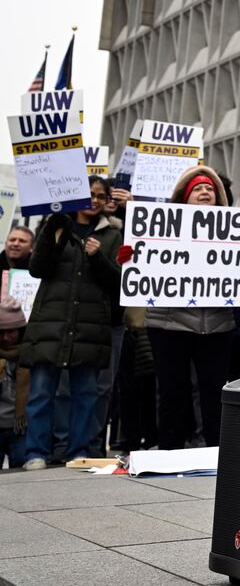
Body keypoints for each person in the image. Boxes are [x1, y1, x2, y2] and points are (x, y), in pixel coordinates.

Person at [127, 168, 240, 449]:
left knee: (214, 392)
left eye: (209, 188)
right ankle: (170, 449)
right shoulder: (162, 229)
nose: (205, 192)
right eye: (197, 188)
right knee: (172, 391)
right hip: (169, 324)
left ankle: (217, 451)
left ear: (218, 197)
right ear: (184, 197)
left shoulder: (235, 230)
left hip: (217, 324)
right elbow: (145, 265)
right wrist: (131, 258)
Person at [18, 177, 122, 469]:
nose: (96, 199)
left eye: (101, 196)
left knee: (85, 394)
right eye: (90, 194)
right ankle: (35, 452)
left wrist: (98, 257)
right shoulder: (55, 226)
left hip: (90, 326)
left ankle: (78, 451)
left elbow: (119, 281)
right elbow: (37, 269)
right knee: (41, 392)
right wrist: (54, 232)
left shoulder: (114, 233)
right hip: (52, 323)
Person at [0, 297, 28, 467]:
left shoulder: (28, 356)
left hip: (20, 428)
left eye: (11, 332)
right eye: (1, 332)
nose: (6, 338)